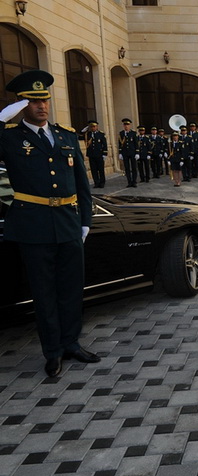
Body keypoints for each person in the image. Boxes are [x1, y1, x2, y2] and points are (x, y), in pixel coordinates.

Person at [0, 69, 101, 377]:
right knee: (44, 294)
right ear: (21, 105)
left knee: (71, 289)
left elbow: (81, 184)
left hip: (68, 225)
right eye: (32, 101)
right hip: (33, 227)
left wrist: (85, 220)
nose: (41, 106)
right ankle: (53, 352)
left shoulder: (66, 136)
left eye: (44, 100)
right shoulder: (9, 138)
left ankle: (71, 343)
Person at [84, 120, 107, 188]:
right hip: (91, 154)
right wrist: (84, 129)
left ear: (97, 127)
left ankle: (102, 182)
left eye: (94, 127)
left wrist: (104, 154)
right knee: (93, 170)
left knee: (101, 169)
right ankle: (96, 182)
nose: (93, 128)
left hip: (99, 155)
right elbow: (80, 136)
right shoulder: (88, 134)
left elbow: (104, 144)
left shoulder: (101, 134)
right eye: (91, 127)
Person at [118, 117, 139, 187]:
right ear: (123, 126)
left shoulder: (133, 133)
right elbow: (120, 144)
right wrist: (120, 153)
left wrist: (137, 153)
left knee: (134, 167)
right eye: (125, 125)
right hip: (125, 153)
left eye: (127, 125)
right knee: (127, 168)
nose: (126, 126)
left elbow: (136, 144)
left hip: (132, 153)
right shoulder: (121, 133)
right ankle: (129, 182)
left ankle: (134, 181)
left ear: (130, 125)